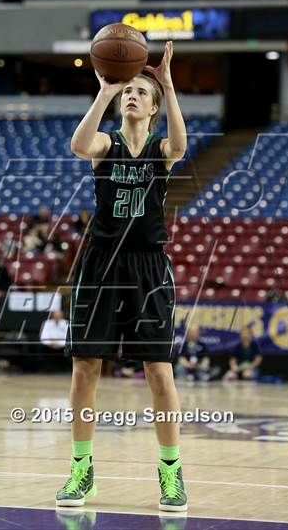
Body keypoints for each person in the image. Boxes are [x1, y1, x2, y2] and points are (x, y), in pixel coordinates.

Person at [56, 41, 188, 511]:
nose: (131, 95)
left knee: (158, 370)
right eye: (126, 91)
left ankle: (171, 473)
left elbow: (181, 144)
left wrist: (167, 83)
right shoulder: (106, 144)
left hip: (148, 265)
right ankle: (80, 468)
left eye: (138, 92)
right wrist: (105, 90)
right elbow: (77, 145)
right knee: (85, 367)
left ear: (152, 107)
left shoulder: (159, 149)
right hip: (100, 263)